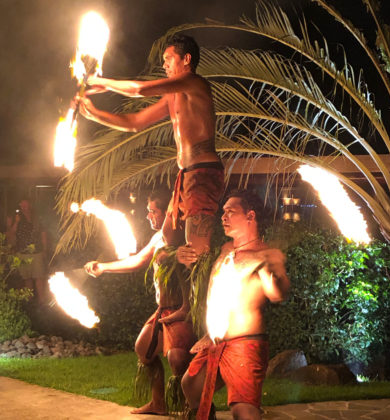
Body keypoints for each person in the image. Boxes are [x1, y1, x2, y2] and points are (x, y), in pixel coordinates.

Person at [78, 34, 224, 322]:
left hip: (203, 174)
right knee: (168, 242)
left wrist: (101, 81)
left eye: (169, 59)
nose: (165, 65)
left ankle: (204, 319)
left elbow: (139, 89)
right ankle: (183, 303)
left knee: (196, 250)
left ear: (186, 60)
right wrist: (94, 115)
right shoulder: (173, 96)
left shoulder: (194, 83)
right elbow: (135, 123)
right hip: (185, 176)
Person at [177, 190, 290, 420]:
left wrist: (269, 272)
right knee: (191, 385)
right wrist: (184, 259)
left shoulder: (268, 254)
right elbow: (215, 288)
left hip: (245, 344)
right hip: (217, 341)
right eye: (223, 212)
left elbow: (278, 294)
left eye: (231, 212)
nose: (223, 217)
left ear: (250, 216)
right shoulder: (226, 250)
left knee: (243, 411)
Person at [84, 191, 196, 415]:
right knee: (144, 350)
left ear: (167, 215)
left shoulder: (185, 240)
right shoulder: (158, 239)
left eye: (153, 212)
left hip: (182, 311)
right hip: (163, 309)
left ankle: (192, 408)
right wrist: (104, 267)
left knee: (178, 359)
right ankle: (158, 403)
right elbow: (138, 260)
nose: (148, 216)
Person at [6, 199, 48, 304]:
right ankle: (29, 302)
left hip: (37, 252)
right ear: (20, 204)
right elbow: (11, 233)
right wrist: (16, 222)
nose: (24, 205)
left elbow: (43, 233)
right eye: (22, 203)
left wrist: (45, 248)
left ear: (29, 204)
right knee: (27, 278)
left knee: (39, 277)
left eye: (25, 203)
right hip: (23, 252)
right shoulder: (16, 216)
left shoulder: (36, 216)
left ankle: (42, 302)